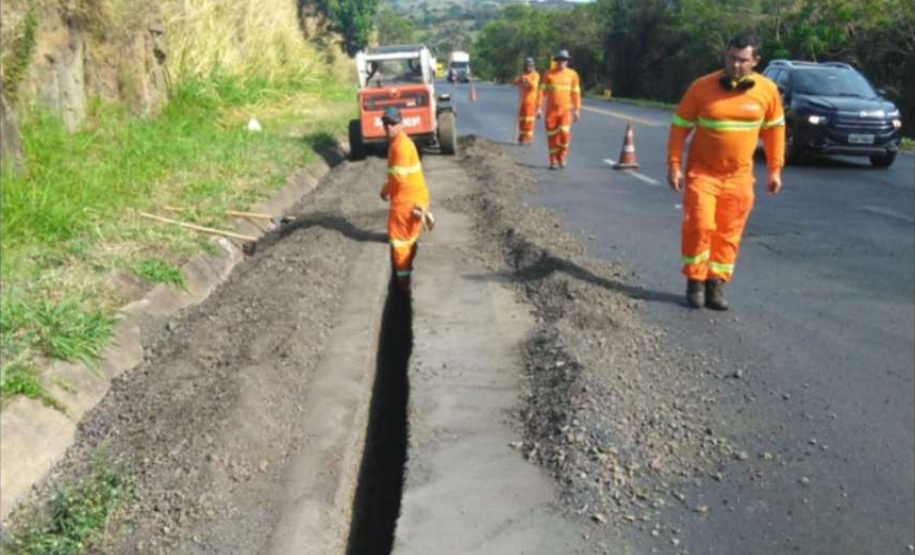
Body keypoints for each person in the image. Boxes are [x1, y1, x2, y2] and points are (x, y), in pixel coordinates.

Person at [667, 34, 785, 310]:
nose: (736, 65)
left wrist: (774, 170)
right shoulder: (701, 87)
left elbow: (775, 131)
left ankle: (715, 283)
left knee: (728, 233)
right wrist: (673, 165)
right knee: (699, 225)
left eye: (743, 60)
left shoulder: (767, 91)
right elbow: (679, 127)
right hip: (703, 173)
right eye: (731, 58)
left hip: (740, 177)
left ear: (755, 61)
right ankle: (695, 281)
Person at [379, 107, 431, 293]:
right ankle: (405, 282)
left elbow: (396, 180)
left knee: (400, 244)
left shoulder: (400, 146)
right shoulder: (402, 142)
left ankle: (403, 288)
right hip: (414, 199)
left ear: (401, 124)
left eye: (392, 124)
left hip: (406, 204)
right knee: (409, 239)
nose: (388, 127)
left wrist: (384, 191)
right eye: (385, 124)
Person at [536, 49, 581, 169]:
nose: (562, 62)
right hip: (551, 112)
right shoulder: (548, 74)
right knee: (552, 137)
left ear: (567, 61)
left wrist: (576, 110)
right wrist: (539, 108)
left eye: (564, 60)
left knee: (565, 135)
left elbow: (576, 94)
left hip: (566, 111)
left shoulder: (573, 75)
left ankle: (562, 157)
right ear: (556, 61)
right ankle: (553, 161)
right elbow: (541, 92)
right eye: (560, 60)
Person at [512, 57, 540, 145]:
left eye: (531, 65)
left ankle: (528, 138)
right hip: (522, 101)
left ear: (533, 66)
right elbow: (514, 83)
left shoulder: (536, 75)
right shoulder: (523, 74)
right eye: (528, 65)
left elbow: (534, 86)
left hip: (531, 101)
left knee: (529, 120)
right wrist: (519, 80)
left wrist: (527, 79)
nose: (529, 67)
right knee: (522, 120)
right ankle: (521, 136)